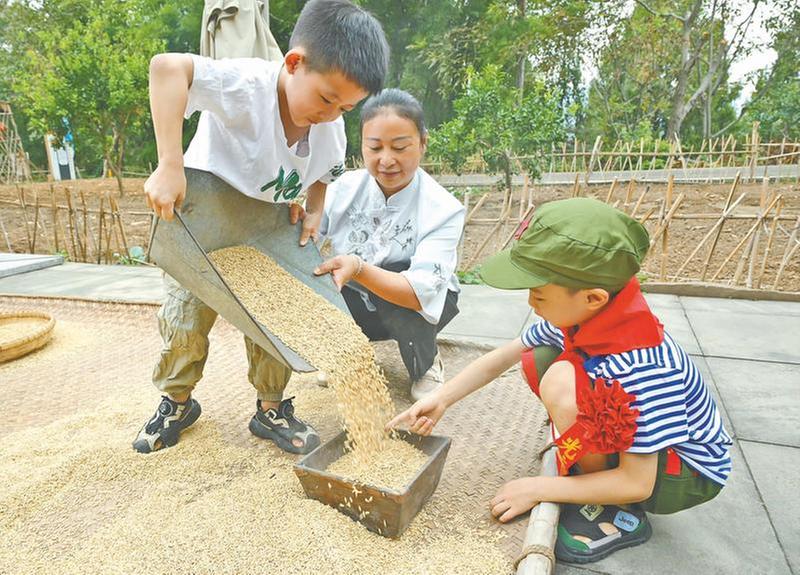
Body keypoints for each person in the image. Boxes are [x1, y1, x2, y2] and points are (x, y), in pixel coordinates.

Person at [388, 198, 732, 564]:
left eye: (539, 294)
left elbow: (638, 481)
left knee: (561, 383)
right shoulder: (587, 314)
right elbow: (503, 356)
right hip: (644, 445)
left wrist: (538, 488)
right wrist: (443, 397)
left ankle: (618, 512)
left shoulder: (642, 368)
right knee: (538, 360)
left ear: (593, 298)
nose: (530, 302)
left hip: (682, 473)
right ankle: (590, 466)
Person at [133, 0, 389, 455]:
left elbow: (325, 173)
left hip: (263, 227)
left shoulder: (331, 127)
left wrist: (314, 208)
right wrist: (170, 164)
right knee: (184, 321)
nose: (332, 113)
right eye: (327, 98)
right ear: (293, 63)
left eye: (346, 106)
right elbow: (167, 68)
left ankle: (271, 409)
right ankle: (176, 402)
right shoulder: (246, 85)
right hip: (204, 223)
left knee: (277, 321)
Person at [305, 89, 464, 401]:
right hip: (358, 298)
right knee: (316, 275)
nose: (386, 160)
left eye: (400, 147)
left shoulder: (442, 208)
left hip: (416, 303)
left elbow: (421, 292)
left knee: (394, 272)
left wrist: (360, 269)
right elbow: (306, 242)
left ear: (423, 142)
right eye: (375, 147)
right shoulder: (341, 189)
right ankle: (343, 354)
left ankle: (426, 363)